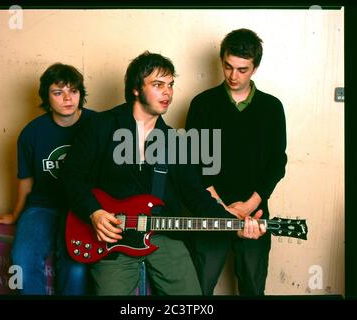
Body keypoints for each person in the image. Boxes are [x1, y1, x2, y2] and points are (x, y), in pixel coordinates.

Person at [59, 51, 265, 296]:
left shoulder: (175, 143)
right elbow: (70, 176)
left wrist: (234, 226)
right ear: (136, 88)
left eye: (170, 85)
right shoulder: (101, 126)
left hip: (161, 237)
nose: (168, 92)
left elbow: (196, 196)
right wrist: (94, 213)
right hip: (110, 238)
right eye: (158, 85)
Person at [185, 28, 287, 296]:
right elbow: (193, 163)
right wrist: (220, 207)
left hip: (254, 214)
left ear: (255, 68)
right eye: (228, 67)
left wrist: (251, 204)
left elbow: (277, 163)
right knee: (198, 289)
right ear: (221, 60)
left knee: (253, 287)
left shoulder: (272, 108)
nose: (233, 76)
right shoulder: (202, 104)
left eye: (242, 69)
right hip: (210, 211)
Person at [0, 63, 97, 295]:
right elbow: (26, 180)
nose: (67, 98)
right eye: (58, 92)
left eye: (74, 91)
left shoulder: (98, 125)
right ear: (46, 97)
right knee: (21, 260)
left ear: (81, 94)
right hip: (43, 206)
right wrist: (15, 214)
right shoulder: (32, 133)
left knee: (76, 268)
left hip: (81, 208)